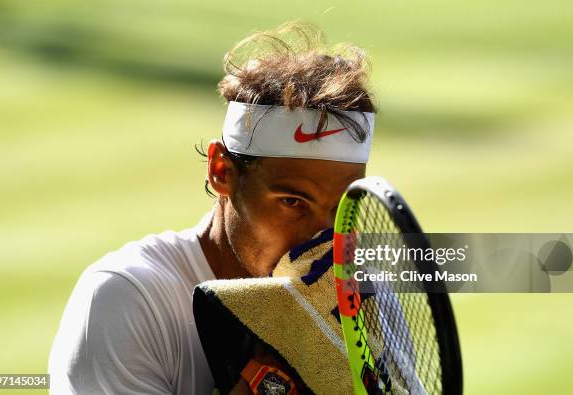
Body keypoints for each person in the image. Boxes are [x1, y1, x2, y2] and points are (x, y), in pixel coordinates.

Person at [48, 21, 376, 394]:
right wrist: (277, 371)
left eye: (344, 209)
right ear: (222, 171)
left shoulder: (358, 296)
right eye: (292, 202)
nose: (320, 238)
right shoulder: (125, 299)